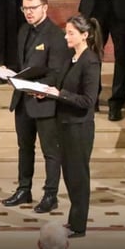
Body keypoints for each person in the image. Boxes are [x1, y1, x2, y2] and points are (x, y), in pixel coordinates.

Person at [3, 0, 68, 213]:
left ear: (45, 8)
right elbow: (24, 66)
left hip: (44, 102)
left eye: (33, 8)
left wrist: (40, 87)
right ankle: (24, 189)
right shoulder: (23, 30)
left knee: (50, 151)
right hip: (23, 99)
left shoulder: (56, 35)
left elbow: (57, 72)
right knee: (24, 148)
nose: (28, 13)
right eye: (25, 8)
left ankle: (51, 194)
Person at [43, 14, 102, 237]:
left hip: (79, 127)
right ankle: (73, 220)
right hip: (65, 123)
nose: (66, 36)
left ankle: (79, 226)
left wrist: (60, 95)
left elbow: (88, 101)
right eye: (65, 32)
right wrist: (46, 93)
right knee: (69, 174)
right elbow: (60, 87)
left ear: (85, 35)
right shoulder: (72, 57)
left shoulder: (91, 61)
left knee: (78, 177)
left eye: (71, 33)